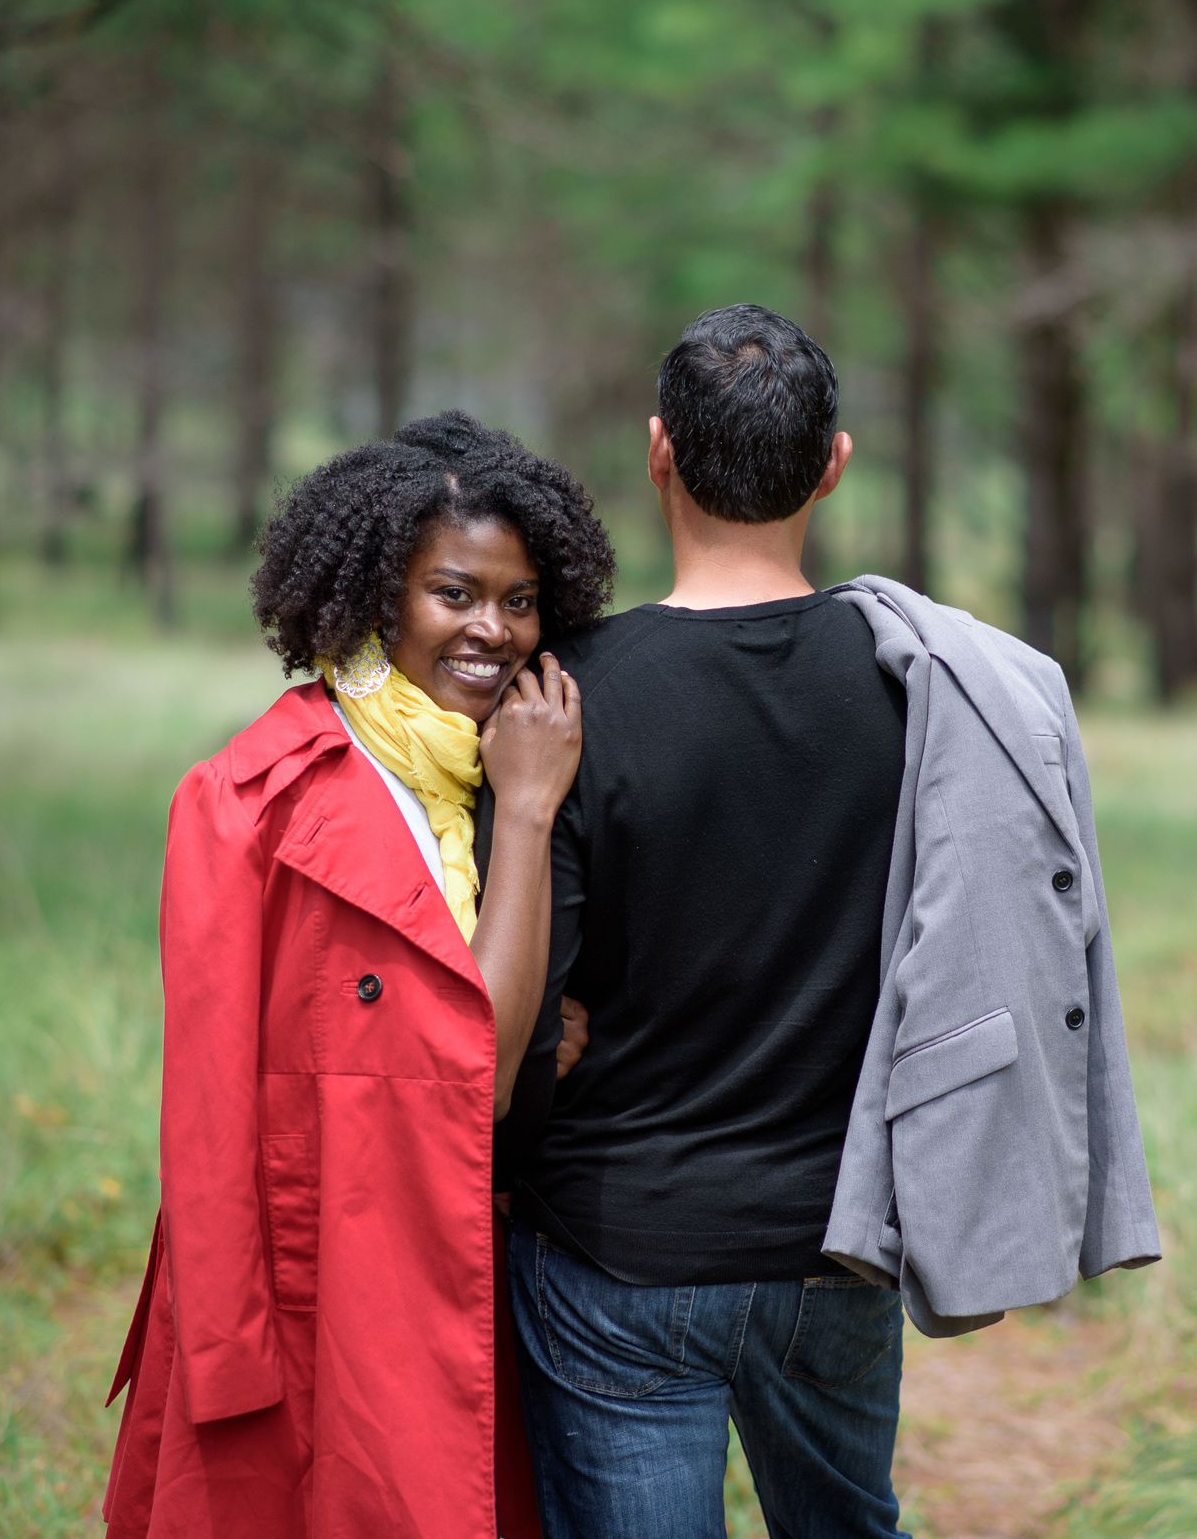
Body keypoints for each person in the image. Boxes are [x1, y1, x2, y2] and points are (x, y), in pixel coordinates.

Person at [101, 421, 614, 1539]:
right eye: (454, 591)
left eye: (520, 599)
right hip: (309, 1298)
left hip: (472, 1279)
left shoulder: (515, 765)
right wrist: (230, 1354)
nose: (492, 628)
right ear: (380, 593)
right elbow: (205, 1109)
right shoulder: (247, 801)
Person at [507, 305, 913, 1539]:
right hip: (835, 1239)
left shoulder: (566, 695)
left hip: (617, 1247)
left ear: (658, 453)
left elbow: (523, 1003)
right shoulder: (919, 685)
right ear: (832, 462)